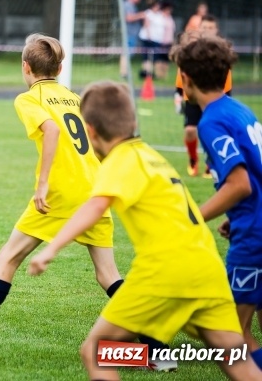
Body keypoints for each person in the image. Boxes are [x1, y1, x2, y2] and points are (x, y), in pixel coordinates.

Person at [27, 80, 260, 381]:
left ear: (91, 131)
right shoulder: (154, 157)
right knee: (236, 361)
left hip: (165, 268)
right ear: (132, 121)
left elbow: (94, 207)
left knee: (95, 352)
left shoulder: (120, 160)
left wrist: (51, 248)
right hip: (206, 268)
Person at [0, 34, 126, 363]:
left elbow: (52, 130)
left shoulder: (29, 99)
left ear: (25, 67)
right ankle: (158, 349)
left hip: (62, 192)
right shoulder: (74, 98)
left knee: (7, 257)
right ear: (61, 68)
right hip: (95, 189)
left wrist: (43, 184)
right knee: (107, 274)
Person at [174, 35, 262, 370]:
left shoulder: (211, 121)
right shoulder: (240, 109)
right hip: (253, 222)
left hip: (254, 235)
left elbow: (240, 184)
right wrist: (236, 216)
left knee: (234, 335)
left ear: (186, 78)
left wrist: (193, 217)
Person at [172, 15, 232, 177]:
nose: (207, 31)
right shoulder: (192, 50)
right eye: (204, 28)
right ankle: (193, 159)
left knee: (212, 129)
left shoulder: (221, 54)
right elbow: (181, 76)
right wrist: (178, 94)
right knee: (191, 130)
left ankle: (211, 162)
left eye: (210, 28)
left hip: (215, 98)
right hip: (194, 98)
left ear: (216, 30)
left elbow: (226, 81)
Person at [140, 0, 174, 80]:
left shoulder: (159, 15)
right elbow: (146, 25)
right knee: (147, 57)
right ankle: (146, 73)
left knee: (155, 58)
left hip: (157, 40)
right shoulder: (149, 13)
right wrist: (149, 36)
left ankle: (153, 74)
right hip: (148, 39)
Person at [120, 0, 146, 78]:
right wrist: (141, 15)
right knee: (126, 53)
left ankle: (125, 73)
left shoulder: (131, 5)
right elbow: (129, 18)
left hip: (132, 34)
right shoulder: (128, 5)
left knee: (128, 53)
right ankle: (124, 73)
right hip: (129, 33)